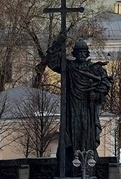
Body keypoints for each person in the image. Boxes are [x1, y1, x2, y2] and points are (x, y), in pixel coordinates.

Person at [46, 37, 113, 166]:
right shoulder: (69, 66)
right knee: (70, 136)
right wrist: (58, 43)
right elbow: (52, 62)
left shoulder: (95, 69)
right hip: (72, 108)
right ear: (74, 54)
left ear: (87, 53)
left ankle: (88, 165)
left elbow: (105, 84)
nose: (81, 55)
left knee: (88, 135)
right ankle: (71, 164)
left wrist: (96, 93)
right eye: (79, 52)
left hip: (88, 108)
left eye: (84, 52)